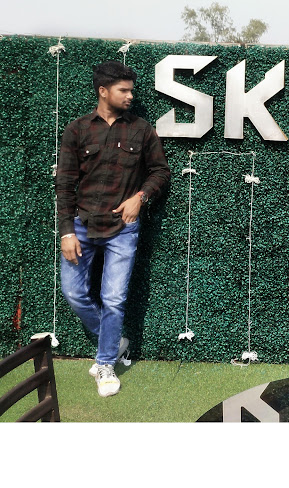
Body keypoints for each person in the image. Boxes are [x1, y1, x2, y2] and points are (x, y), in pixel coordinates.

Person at [56, 61, 170, 397]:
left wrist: (140, 198)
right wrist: (66, 232)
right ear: (103, 91)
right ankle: (115, 340)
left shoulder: (142, 129)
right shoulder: (77, 130)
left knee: (114, 298)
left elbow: (160, 172)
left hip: (124, 228)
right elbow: (64, 184)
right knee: (74, 293)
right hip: (81, 225)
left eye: (132, 90)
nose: (130, 96)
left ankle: (105, 363)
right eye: (124, 90)